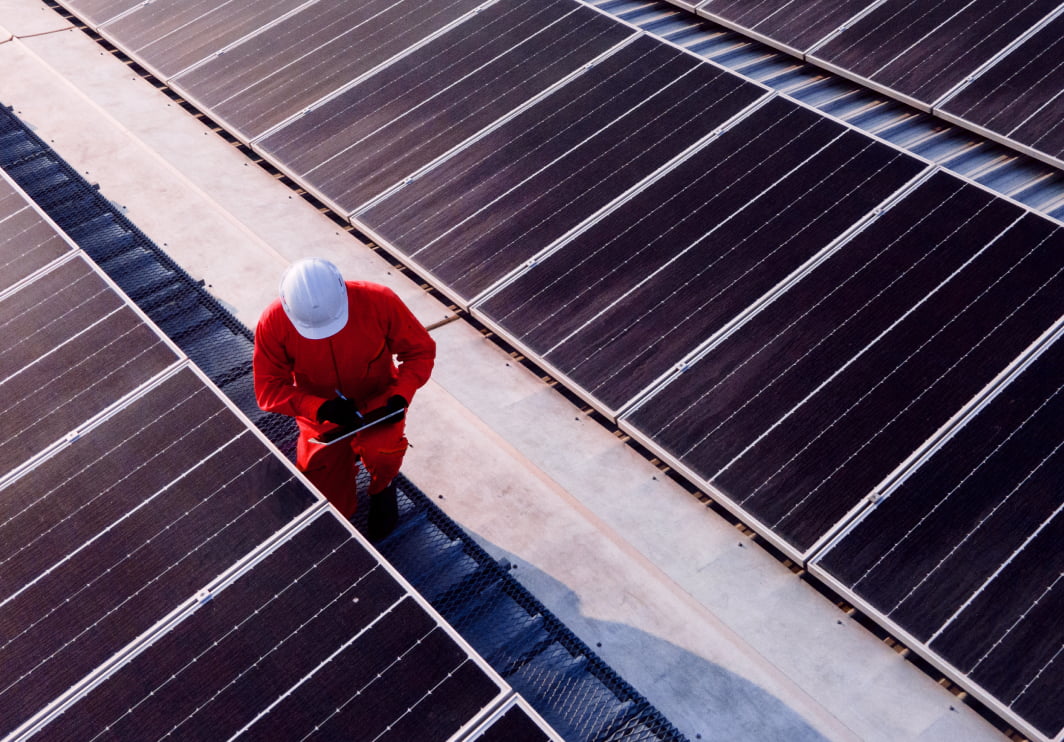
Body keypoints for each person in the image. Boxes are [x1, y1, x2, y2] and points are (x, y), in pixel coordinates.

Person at [253, 257, 436, 539]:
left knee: (382, 451)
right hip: (323, 417)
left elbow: (419, 351)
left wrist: (401, 394)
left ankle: (382, 487)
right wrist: (319, 407)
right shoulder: (273, 322)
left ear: (343, 292)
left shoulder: (380, 301)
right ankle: (342, 512)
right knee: (328, 498)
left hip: (379, 402)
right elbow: (268, 389)